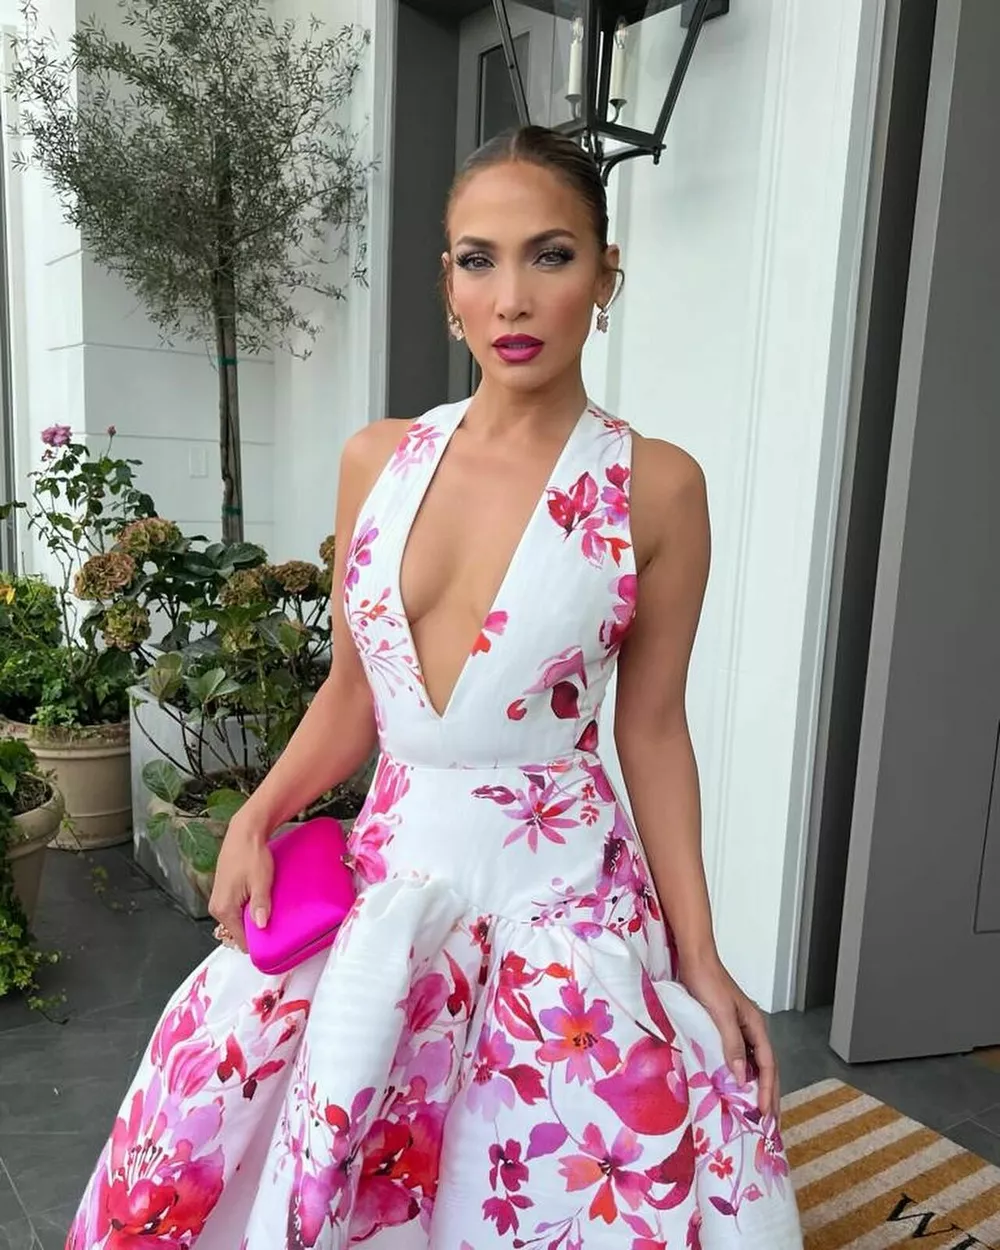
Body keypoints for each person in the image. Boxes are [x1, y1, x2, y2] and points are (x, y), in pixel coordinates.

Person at [66, 126, 802, 1249]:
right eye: (478, 259)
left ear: (606, 275)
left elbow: (653, 731)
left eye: (551, 255)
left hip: (559, 900)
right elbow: (353, 697)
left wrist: (699, 956)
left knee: (545, 1182)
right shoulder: (379, 458)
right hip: (390, 885)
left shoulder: (655, 487)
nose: (513, 297)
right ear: (447, 284)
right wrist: (258, 814)